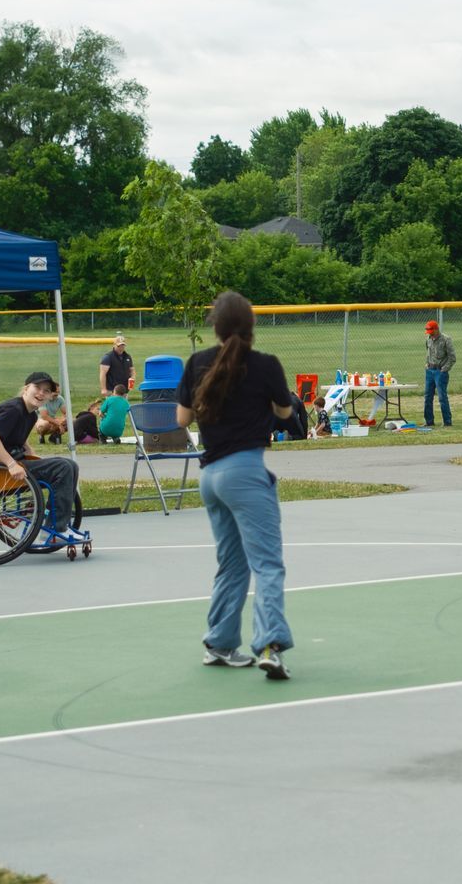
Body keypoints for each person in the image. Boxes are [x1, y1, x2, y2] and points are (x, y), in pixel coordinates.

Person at [177, 291, 297, 680]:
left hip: (210, 476)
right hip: (245, 472)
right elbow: (284, 411)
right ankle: (269, 644)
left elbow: (183, 418)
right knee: (267, 564)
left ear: (215, 325)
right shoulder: (264, 366)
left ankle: (220, 643)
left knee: (232, 563)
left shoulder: (197, 362)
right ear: (251, 326)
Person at [0, 371, 89, 550]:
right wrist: (11, 463)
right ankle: (55, 528)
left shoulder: (28, 414)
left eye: (46, 391)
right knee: (62, 467)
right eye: (37, 388)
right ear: (26, 388)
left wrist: (33, 454)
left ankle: (58, 525)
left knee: (70, 465)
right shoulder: (14, 409)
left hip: (12, 463)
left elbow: (18, 438)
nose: (41, 393)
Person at [423, 318, 455, 427]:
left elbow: (452, 358)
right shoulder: (428, 339)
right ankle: (429, 422)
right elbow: (428, 353)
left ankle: (447, 422)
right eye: (428, 332)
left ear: (436, 329)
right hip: (429, 371)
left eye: (431, 332)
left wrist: (444, 369)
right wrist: (427, 364)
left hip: (440, 372)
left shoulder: (446, 339)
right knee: (427, 397)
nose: (430, 334)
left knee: (442, 397)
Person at [99, 333, 134, 398]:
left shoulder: (128, 357)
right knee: (113, 407)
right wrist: (103, 389)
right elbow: (102, 374)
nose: (121, 348)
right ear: (114, 345)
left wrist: (132, 381)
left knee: (123, 407)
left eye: (123, 345)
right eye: (119, 346)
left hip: (124, 390)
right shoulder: (108, 357)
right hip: (112, 390)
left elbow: (132, 370)